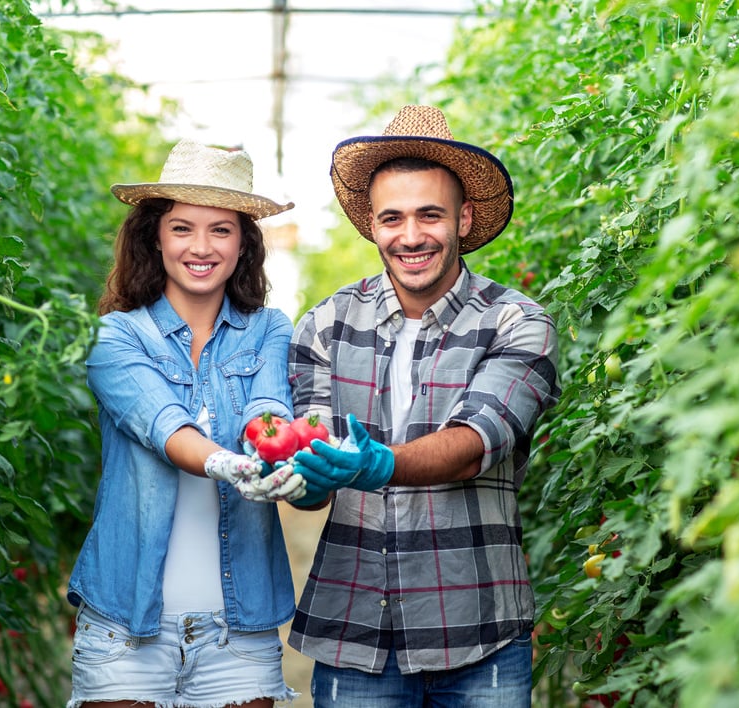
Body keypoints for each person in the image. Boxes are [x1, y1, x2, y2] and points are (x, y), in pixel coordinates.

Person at [287, 105, 561, 707]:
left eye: (429, 215)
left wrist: (377, 464)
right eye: (392, 218)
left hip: (478, 632)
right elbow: (315, 474)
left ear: (463, 218)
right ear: (373, 226)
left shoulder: (516, 323)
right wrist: (296, 475)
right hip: (354, 629)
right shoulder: (325, 326)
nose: (410, 236)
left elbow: (475, 443)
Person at [66, 139, 307, 708]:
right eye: (182, 228)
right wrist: (230, 464)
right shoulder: (114, 337)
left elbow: (267, 408)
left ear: (244, 243)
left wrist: (279, 455)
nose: (201, 247)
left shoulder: (269, 327)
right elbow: (163, 425)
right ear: (154, 236)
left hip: (240, 635)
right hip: (123, 628)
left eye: (221, 230)